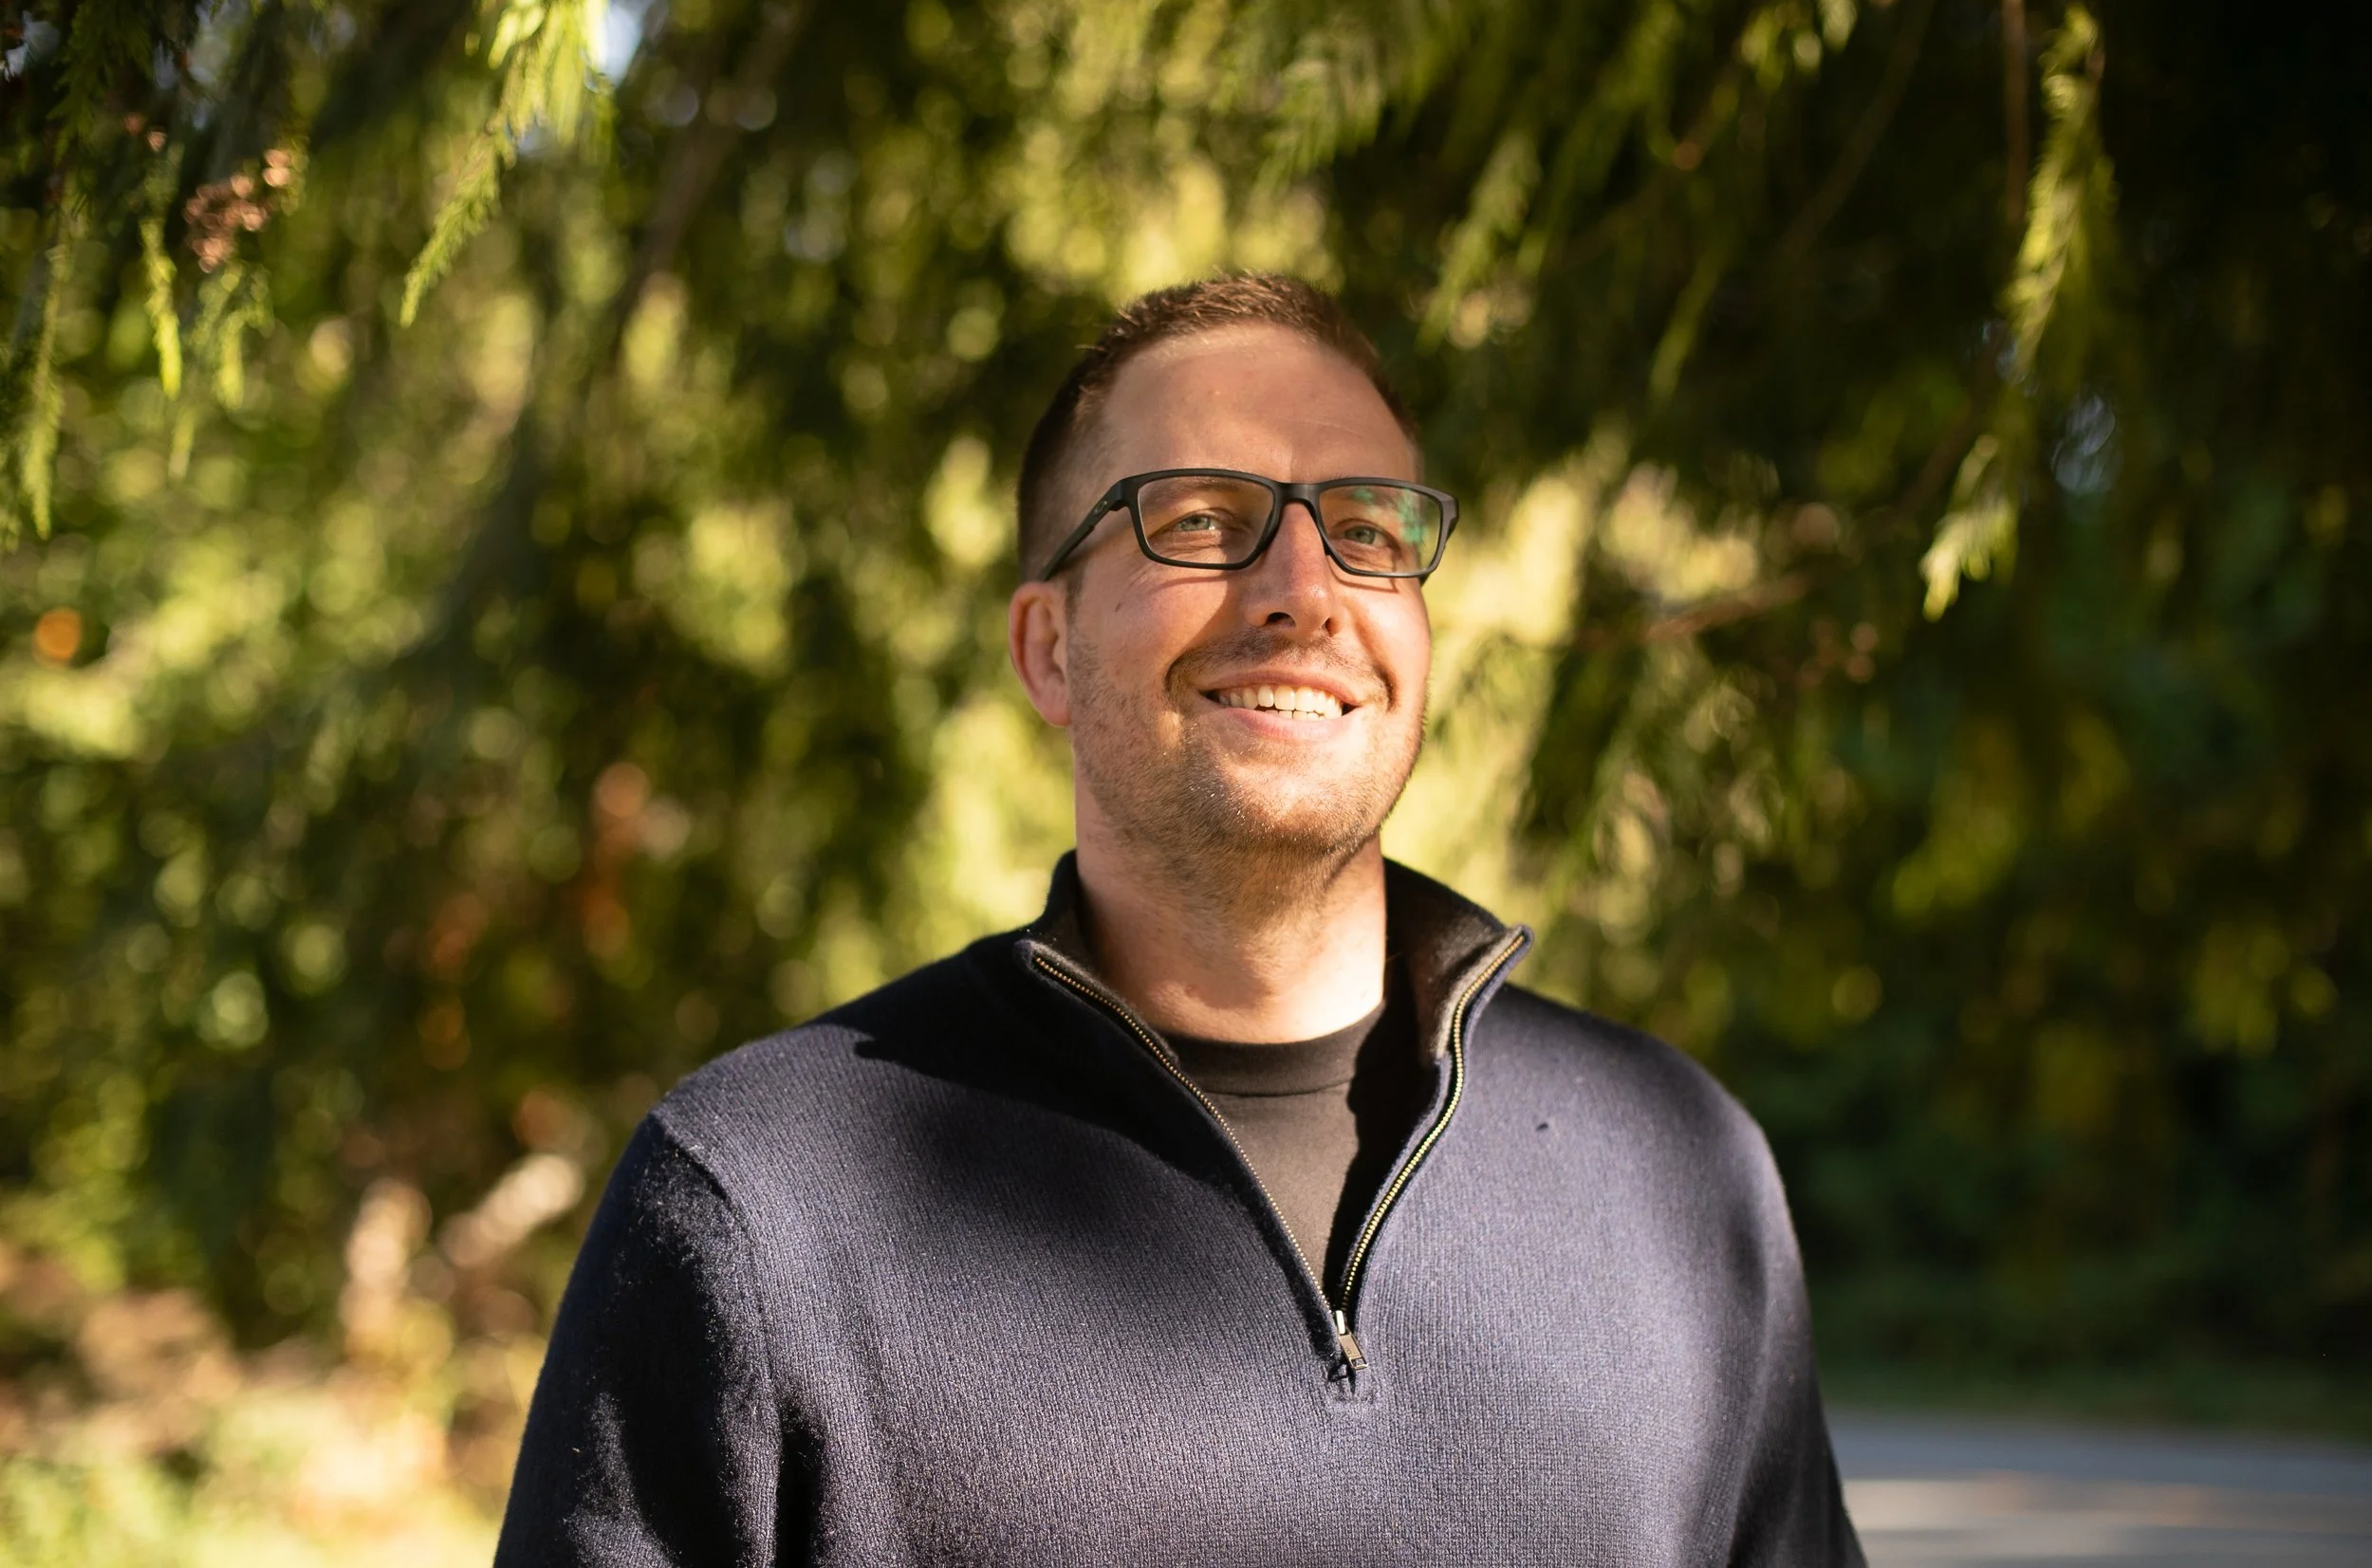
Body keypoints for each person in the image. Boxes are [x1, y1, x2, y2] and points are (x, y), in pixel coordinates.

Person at [496, 273, 1862, 1565]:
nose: (1303, 588)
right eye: (1201, 520)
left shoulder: (1679, 1173)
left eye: (1370, 530)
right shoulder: (761, 1200)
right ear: (1047, 648)